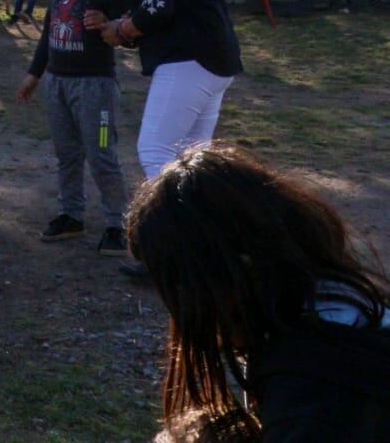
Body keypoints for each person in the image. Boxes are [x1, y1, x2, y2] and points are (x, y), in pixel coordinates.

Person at [129, 145, 390, 442]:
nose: (177, 314)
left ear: (238, 274)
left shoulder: (313, 394)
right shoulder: (334, 303)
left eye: (180, 293)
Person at [88, 0, 242, 279]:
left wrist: (119, 31)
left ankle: (172, 252)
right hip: (215, 61)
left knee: (156, 153)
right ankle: (206, 247)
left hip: (186, 61)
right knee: (192, 161)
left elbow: (156, 8)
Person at [15, 0, 130, 256]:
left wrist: (111, 25)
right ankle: (71, 214)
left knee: (102, 153)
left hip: (96, 90)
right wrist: (34, 76)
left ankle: (117, 224)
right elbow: (48, 37)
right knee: (67, 154)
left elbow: (130, 32)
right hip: (58, 86)